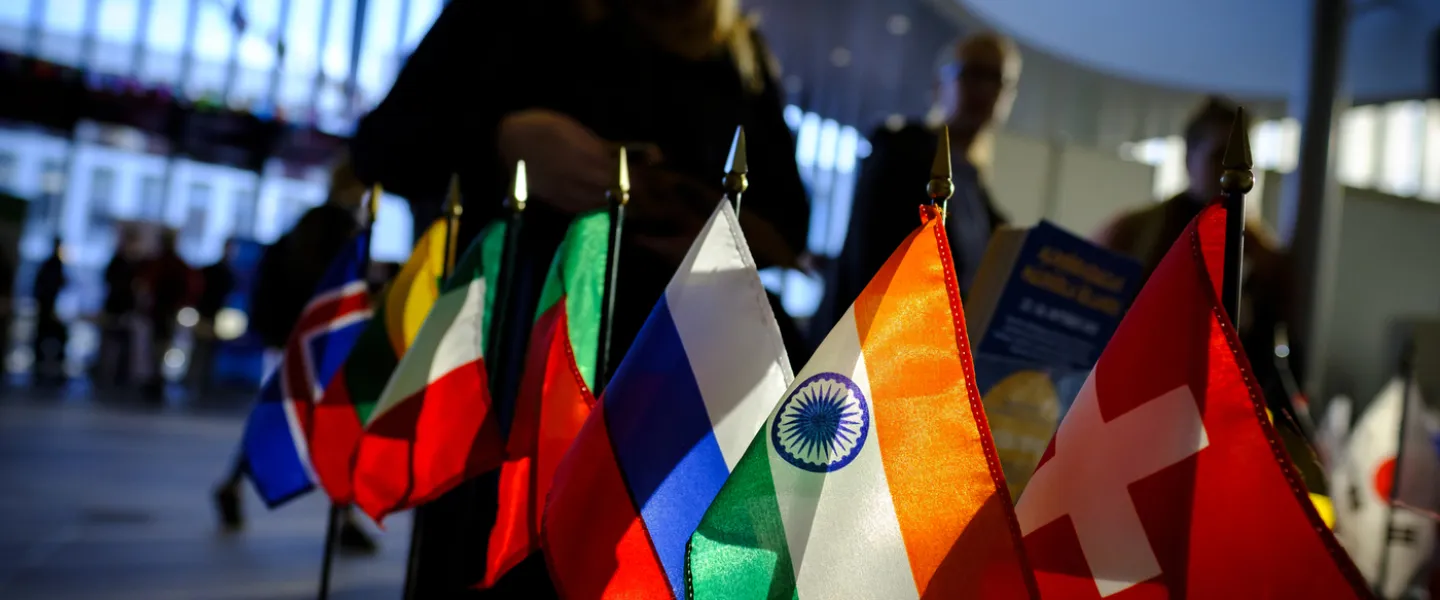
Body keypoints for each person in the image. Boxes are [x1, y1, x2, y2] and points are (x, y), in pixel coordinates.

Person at [349, 0, 810, 591]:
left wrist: (695, 214)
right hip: (514, 368)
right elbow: (383, 148)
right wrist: (503, 141)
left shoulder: (734, 51)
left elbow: (788, 221)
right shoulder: (510, 16)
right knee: (497, 561)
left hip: (675, 389)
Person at [1092, 97, 1318, 487]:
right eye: (1217, 156)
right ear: (1188, 158)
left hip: (1225, 429)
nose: (1229, 172)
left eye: (1243, 162)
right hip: (1133, 419)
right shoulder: (1135, 234)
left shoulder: (1267, 260)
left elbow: (1281, 362)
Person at [816, 32, 1021, 337]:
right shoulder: (900, 153)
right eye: (973, 73)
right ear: (941, 85)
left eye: (996, 79)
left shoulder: (979, 197)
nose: (984, 88)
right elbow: (870, 267)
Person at [211, 200, 378, 552]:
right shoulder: (340, 241)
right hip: (324, 348)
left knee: (279, 417)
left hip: (289, 344)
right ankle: (345, 517)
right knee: (336, 426)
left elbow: (264, 296)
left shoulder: (290, 243)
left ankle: (234, 484)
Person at [137, 230, 197, 400]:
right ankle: (156, 378)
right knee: (159, 346)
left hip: (164, 312)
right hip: (163, 312)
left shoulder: (166, 263)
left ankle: (157, 378)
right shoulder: (169, 263)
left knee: (160, 346)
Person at [188, 239, 238, 395]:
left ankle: (201, 382)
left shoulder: (224, 272)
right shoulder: (217, 271)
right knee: (201, 350)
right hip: (206, 315)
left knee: (207, 351)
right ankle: (195, 381)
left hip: (214, 316)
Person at [31, 238, 67, 385]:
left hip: (50, 309)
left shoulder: (54, 265)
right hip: (49, 309)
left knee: (52, 338)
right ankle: (44, 369)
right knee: (46, 338)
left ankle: (48, 369)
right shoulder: (53, 265)